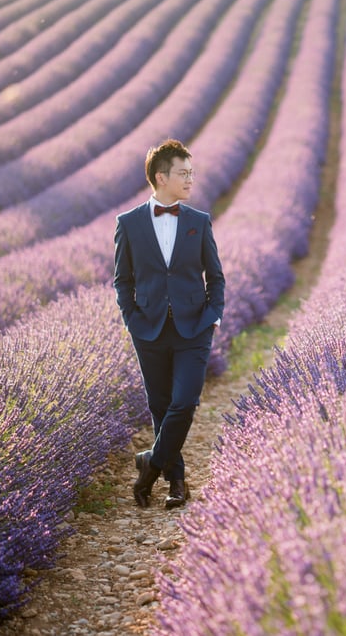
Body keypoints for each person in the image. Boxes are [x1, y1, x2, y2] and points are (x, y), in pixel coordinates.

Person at [114, 139, 224, 508]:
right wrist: (131, 318)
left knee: (185, 402)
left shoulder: (198, 221)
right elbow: (122, 280)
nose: (191, 179)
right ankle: (177, 483)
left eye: (192, 172)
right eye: (183, 173)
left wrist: (213, 315)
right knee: (160, 407)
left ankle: (150, 463)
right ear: (161, 177)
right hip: (148, 329)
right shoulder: (128, 224)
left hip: (194, 327)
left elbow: (216, 276)